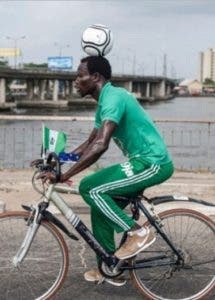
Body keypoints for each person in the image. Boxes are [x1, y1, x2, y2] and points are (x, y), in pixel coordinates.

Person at [39, 55, 174, 286]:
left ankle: (138, 233)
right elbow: (89, 145)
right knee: (99, 207)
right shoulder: (103, 104)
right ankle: (111, 267)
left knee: (90, 188)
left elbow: (101, 145)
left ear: (95, 77)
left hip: (153, 162)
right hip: (140, 162)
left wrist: (65, 176)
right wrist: (56, 159)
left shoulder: (114, 98)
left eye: (80, 76)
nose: (75, 81)